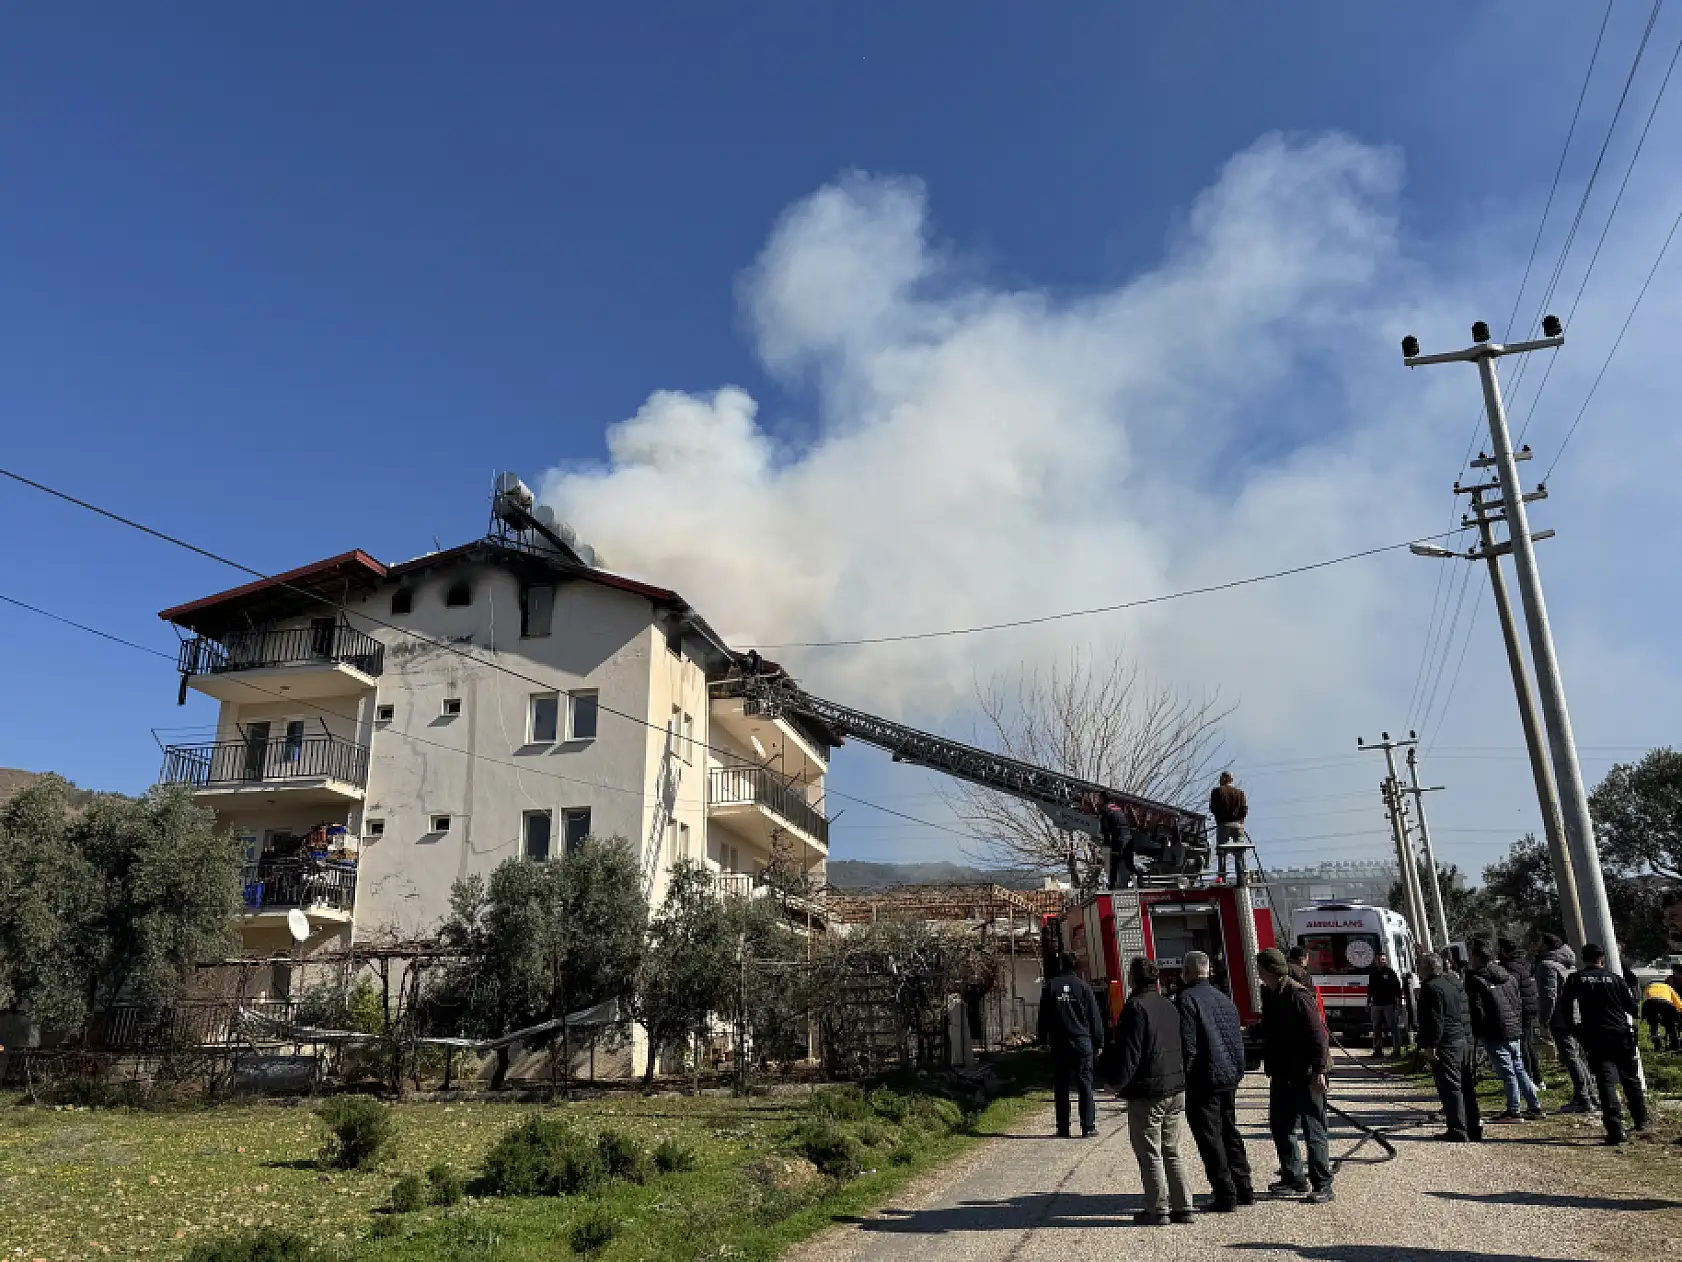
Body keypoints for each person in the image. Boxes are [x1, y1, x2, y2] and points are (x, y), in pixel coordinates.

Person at [1110, 956, 1194, 1225]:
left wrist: (1116, 1083)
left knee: (1149, 1150)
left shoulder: (1135, 1008)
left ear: (1133, 978)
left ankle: (1157, 1208)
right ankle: (1184, 1206)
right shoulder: (1169, 1006)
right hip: (1175, 1087)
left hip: (1149, 1090)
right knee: (1172, 1148)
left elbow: (1130, 1053)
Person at [1177, 949, 1254, 1212]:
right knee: (1230, 1131)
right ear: (1208, 970)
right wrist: (1237, 1070)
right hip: (1228, 1076)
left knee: (1210, 1138)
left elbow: (1189, 1046)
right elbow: (1236, 1040)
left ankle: (1224, 1193)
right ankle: (1244, 1187)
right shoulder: (1224, 999)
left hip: (1204, 1079)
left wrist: (1181, 1079)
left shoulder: (1186, 999)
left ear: (1186, 972)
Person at [1255, 947, 1334, 1204]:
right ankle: (1294, 1177)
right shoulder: (1272, 994)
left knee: (1314, 1129)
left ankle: (1322, 1184)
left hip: (1307, 1074)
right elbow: (1271, 1028)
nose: (1258, 974)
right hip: (1283, 1073)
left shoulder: (1298, 995)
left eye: (1260, 969)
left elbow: (1318, 1036)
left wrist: (1320, 1071)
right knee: (1281, 1125)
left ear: (1269, 970)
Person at [1563, 943, 1649, 1144]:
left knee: (1605, 1081)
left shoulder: (1576, 979)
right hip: (1620, 1035)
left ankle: (1615, 1130)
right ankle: (1641, 1121)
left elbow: (1565, 1006)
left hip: (1595, 1036)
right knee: (1631, 1079)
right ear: (1602, 958)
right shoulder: (1615, 979)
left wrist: (1575, 1029)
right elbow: (1634, 1009)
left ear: (1583, 959)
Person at [1465, 941, 1544, 1123]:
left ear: (1477, 958)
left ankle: (1513, 1110)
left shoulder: (1476, 980)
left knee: (1508, 1072)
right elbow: (1517, 1001)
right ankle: (1534, 1105)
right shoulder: (1508, 976)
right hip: (1514, 1027)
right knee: (1519, 1068)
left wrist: (1478, 1033)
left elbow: (1478, 1011)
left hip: (1496, 1031)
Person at [1037, 951, 1107, 1139]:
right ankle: (1088, 1126)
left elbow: (1043, 1017)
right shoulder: (1083, 987)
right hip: (1082, 1041)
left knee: (1061, 1085)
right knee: (1085, 1083)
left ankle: (1063, 1127)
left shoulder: (1050, 987)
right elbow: (1094, 1017)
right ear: (1076, 966)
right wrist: (1099, 1041)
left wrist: (1042, 1040)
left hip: (1060, 1042)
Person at [1414, 951, 1482, 1142]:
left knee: (1451, 1087)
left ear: (1426, 968)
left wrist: (1431, 1045)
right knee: (1466, 1086)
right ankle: (1473, 1127)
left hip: (1446, 1044)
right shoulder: (1452, 984)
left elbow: (1435, 1020)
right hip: (1460, 1040)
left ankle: (1458, 1129)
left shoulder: (1430, 988)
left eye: (1420, 965)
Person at [1535, 934, 1599, 1114]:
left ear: (1547, 946)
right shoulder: (1568, 964)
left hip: (1560, 1018)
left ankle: (1583, 1099)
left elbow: (1549, 996)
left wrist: (1544, 1020)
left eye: (1540, 942)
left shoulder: (1547, 966)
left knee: (1571, 1058)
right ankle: (1590, 1096)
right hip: (1575, 1016)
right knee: (1578, 1057)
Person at [1498, 938, 1545, 1088]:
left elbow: (1511, 989)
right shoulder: (1523, 964)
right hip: (1530, 1008)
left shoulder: (1511, 968)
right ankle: (1537, 1079)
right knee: (1528, 1045)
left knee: (1523, 1046)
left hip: (1522, 1009)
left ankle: (1529, 1079)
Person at [1210, 771, 1248, 882]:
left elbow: (1213, 809)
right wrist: (1240, 822)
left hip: (1223, 825)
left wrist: (1220, 816)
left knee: (1222, 852)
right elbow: (1244, 809)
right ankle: (1242, 876)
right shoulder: (1240, 793)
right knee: (1240, 852)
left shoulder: (1216, 791)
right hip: (1237, 825)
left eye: (1220, 778)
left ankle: (1222, 877)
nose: (1219, 780)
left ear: (1225, 779)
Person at [1367, 953, 1405, 1059]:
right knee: (1376, 1028)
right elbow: (1370, 989)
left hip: (1389, 1004)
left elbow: (1397, 988)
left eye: (1383, 959)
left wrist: (1398, 1003)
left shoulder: (1390, 972)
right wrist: (1368, 1002)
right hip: (1376, 1005)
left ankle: (1397, 1050)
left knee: (1393, 1027)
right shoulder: (1373, 972)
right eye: (1379, 959)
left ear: (1386, 961)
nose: (1381, 961)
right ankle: (1378, 1050)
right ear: (1375, 961)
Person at [1098, 795, 1136, 890]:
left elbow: (1105, 828)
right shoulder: (1118, 808)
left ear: (1103, 800)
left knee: (1114, 864)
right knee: (1129, 864)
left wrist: (1106, 842)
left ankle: (1111, 887)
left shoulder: (1105, 809)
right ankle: (1140, 879)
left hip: (1119, 839)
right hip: (1128, 838)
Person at [1641, 977, 1682, 1052]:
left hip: (1650, 1003)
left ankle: (1657, 1041)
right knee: (1671, 1025)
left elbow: (1644, 1000)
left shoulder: (1648, 987)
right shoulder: (1668, 987)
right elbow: (1678, 1003)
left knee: (1653, 1024)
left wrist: (1645, 1014)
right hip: (1665, 1003)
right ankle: (1675, 1045)